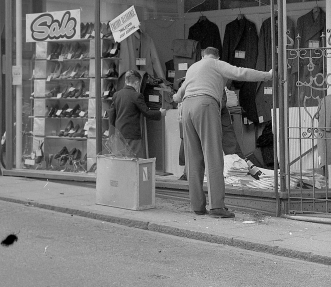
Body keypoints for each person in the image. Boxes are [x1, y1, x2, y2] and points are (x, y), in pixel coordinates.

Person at [173, 46, 272, 219]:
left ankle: (197, 206)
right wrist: (267, 75)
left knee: (194, 159)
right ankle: (217, 206)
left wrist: (174, 98)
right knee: (213, 156)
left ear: (203, 55)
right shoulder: (217, 65)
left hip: (187, 107)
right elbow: (241, 73)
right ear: (216, 57)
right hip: (205, 104)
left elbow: (179, 95)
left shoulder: (193, 68)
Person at [108, 69, 165, 157]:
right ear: (137, 82)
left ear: (126, 81)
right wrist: (160, 113)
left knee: (121, 160)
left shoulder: (116, 95)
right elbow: (147, 112)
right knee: (135, 160)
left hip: (119, 133)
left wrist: (117, 127)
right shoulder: (136, 96)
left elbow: (111, 115)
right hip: (132, 135)